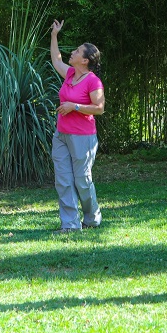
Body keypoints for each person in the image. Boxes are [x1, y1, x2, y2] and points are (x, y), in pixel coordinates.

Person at [49, 19, 105, 233]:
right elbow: (56, 59)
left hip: (83, 138)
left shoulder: (93, 82)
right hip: (61, 134)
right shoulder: (70, 74)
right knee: (63, 180)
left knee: (82, 181)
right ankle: (70, 224)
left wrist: (75, 106)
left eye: (77, 51)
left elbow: (98, 108)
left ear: (85, 60)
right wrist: (54, 35)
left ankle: (92, 218)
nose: (72, 52)